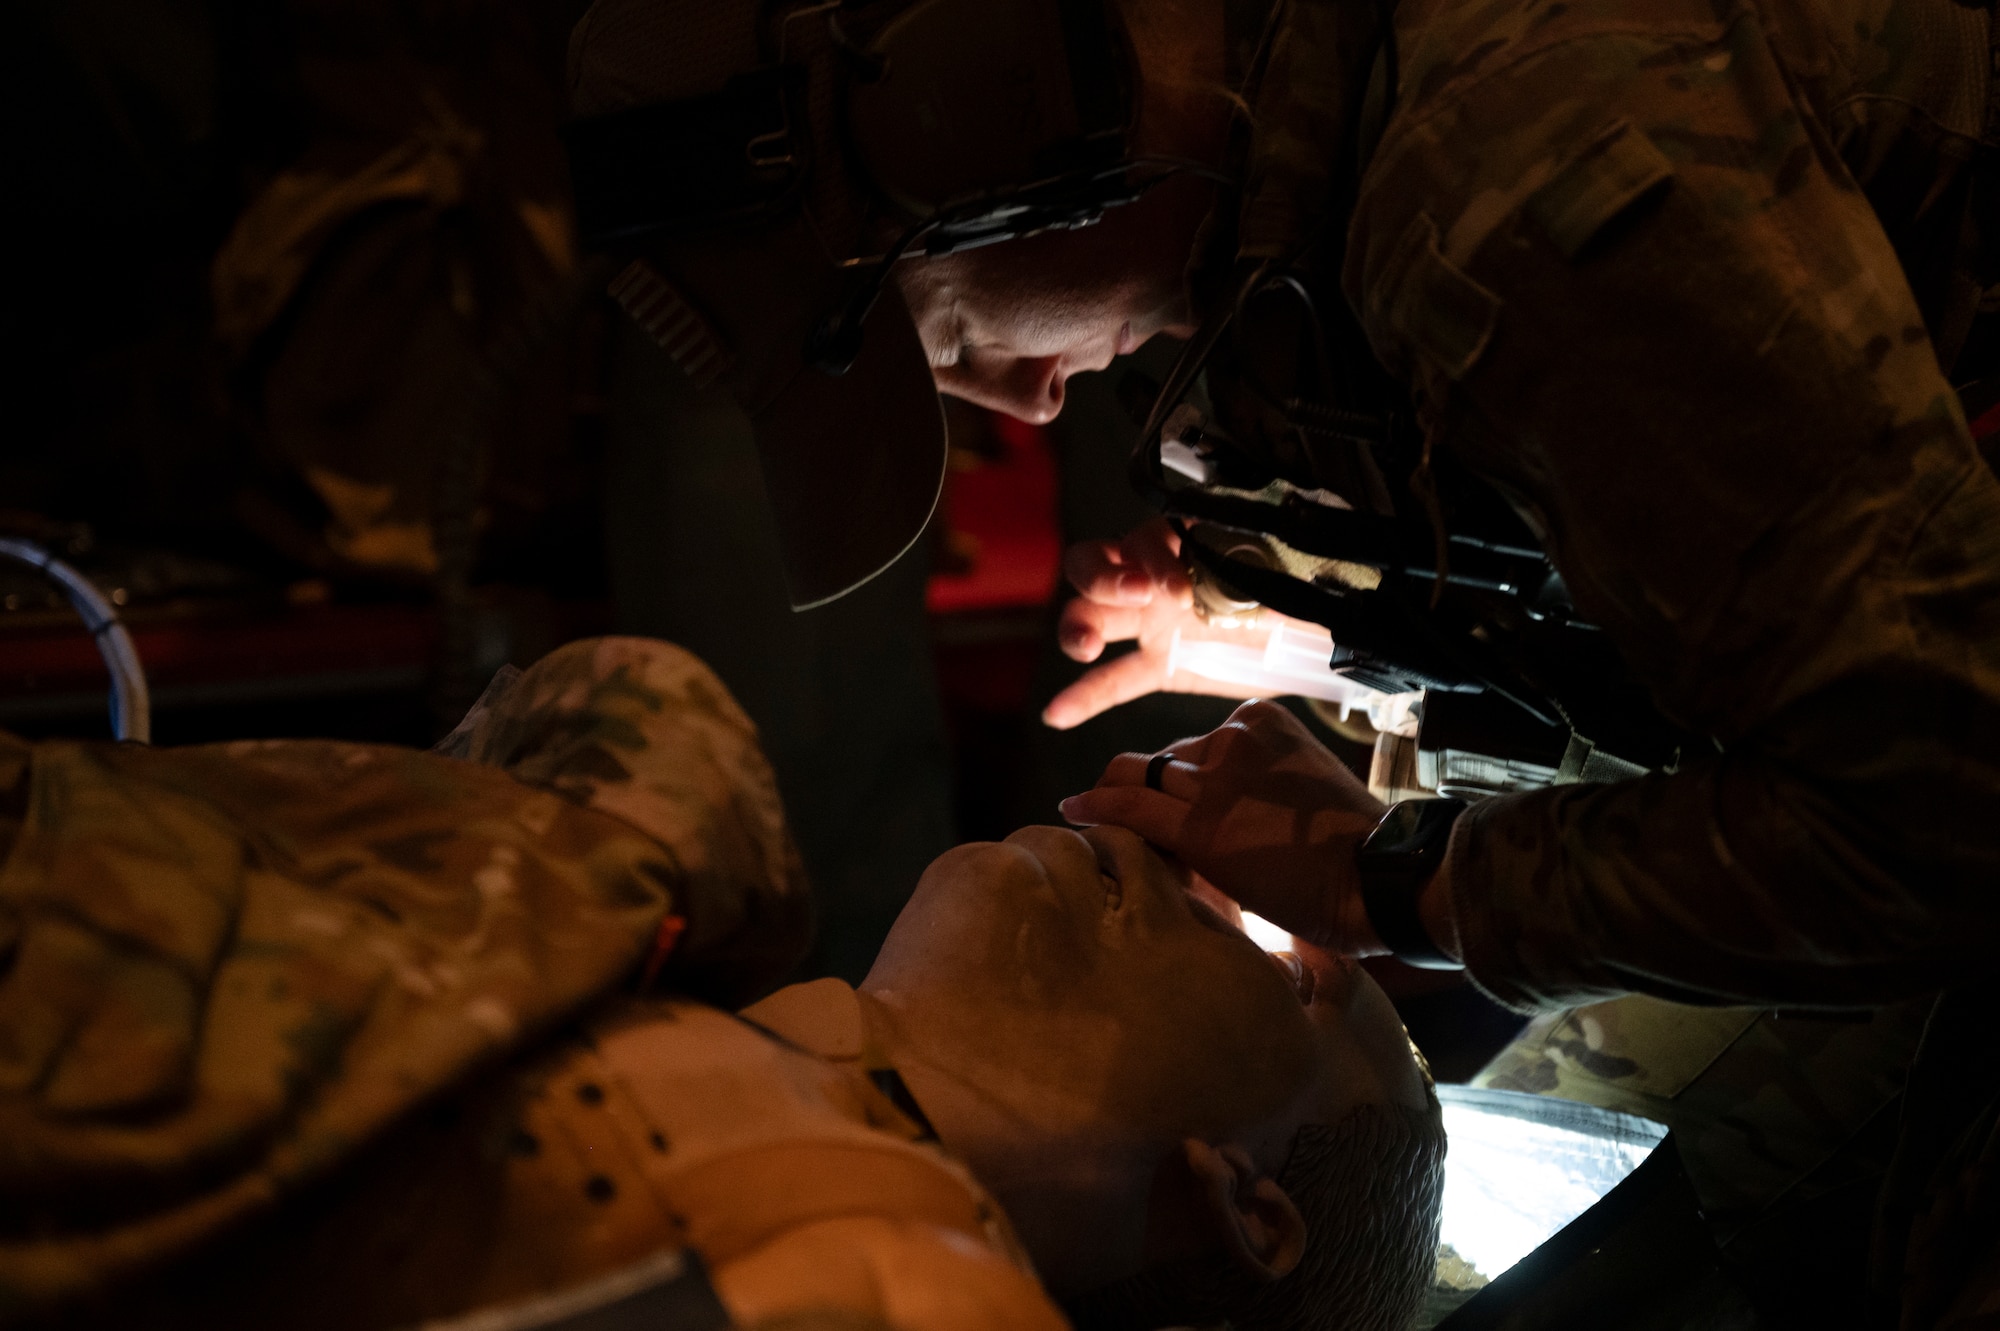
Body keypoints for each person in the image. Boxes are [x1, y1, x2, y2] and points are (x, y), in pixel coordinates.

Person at [1, 635, 1444, 1331]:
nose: (1209, 887)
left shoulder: (906, 1298)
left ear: (1249, 1203)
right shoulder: (673, 923)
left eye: (1282, 961)